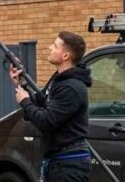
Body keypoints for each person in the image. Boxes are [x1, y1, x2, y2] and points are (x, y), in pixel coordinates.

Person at [9, 32, 93, 182]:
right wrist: (21, 84)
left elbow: (46, 121)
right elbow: (38, 106)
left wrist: (25, 101)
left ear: (65, 56)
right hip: (57, 161)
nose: (49, 48)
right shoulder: (59, 80)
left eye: (55, 46)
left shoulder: (71, 88)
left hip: (69, 165)